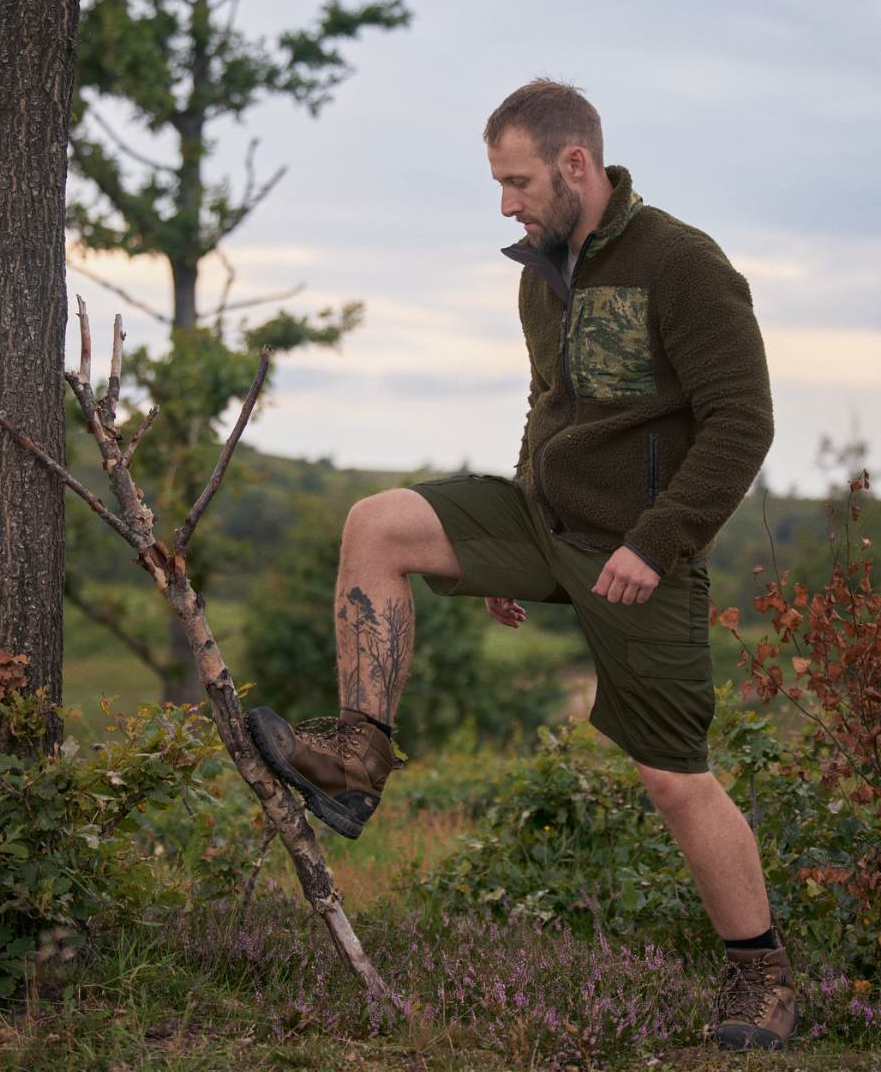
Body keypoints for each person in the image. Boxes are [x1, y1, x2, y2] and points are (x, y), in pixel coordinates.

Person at [246, 78, 797, 1051]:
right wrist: (508, 533)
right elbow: (550, 410)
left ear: (574, 164)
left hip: (643, 551)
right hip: (544, 520)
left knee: (675, 780)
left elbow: (742, 421)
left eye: (516, 181)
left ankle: (760, 973)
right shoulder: (540, 269)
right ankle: (358, 755)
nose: (505, 203)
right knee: (378, 522)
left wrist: (656, 539)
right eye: (500, 184)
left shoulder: (682, 262)